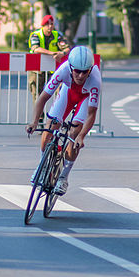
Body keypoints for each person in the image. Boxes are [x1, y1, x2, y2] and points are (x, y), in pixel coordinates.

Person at [25, 45, 101, 196]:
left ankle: (63, 177)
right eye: (77, 71)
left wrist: (81, 136)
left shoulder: (95, 81)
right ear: (71, 67)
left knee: (74, 133)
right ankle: (42, 167)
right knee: (50, 127)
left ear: (90, 70)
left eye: (84, 72)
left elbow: (91, 114)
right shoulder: (63, 70)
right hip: (68, 92)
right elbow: (43, 98)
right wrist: (34, 121)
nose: (80, 75)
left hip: (84, 99)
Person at [27, 14, 70, 101]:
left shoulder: (57, 35)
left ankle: (56, 113)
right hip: (37, 69)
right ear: (43, 25)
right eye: (47, 24)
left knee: (60, 92)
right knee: (37, 94)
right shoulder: (35, 35)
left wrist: (62, 53)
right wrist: (52, 53)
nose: (50, 26)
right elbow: (35, 48)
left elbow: (67, 48)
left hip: (53, 69)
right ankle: (39, 115)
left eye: (51, 24)